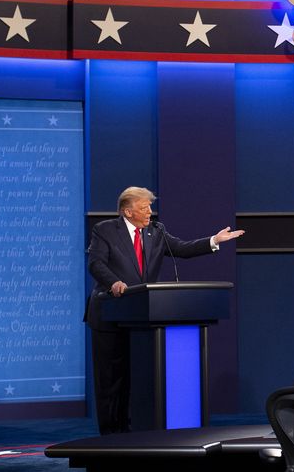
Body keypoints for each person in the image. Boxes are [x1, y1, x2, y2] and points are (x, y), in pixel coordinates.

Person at [85, 186, 244, 435]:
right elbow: (96, 263)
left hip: (143, 318)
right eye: (143, 207)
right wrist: (113, 282)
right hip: (109, 315)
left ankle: (138, 434)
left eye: (150, 206)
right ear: (127, 211)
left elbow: (181, 249)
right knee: (111, 381)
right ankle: (110, 437)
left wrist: (214, 241)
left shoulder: (156, 231)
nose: (150, 211)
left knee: (138, 379)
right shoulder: (105, 230)